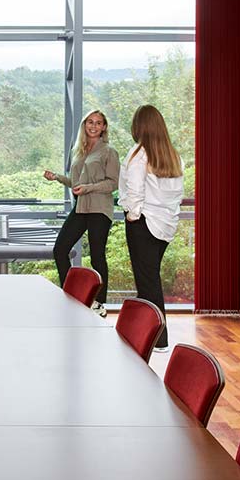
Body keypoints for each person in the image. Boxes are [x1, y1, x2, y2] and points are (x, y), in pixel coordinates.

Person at [118, 105, 184, 349]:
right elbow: (177, 194)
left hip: (143, 223)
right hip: (164, 226)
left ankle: (157, 340)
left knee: (147, 283)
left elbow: (134, 191)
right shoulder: (172, 154)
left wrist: (133, 216)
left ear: (138, 126)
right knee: (150, 280)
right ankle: (146, 335)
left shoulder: (138, 154)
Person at [44, 109, 120, 317]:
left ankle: (99, 304)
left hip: (99, 209)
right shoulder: (78, 151)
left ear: (104, 127)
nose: (93, 126)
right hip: (81, 207)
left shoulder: (109, 151)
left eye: (98, 123)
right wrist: (58, 177)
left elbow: (113, 183)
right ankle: (70, 295)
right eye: (90, 122)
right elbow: (76, 184)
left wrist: (88, 188)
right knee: (60, 250)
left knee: (97, 256)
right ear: (84, 125)